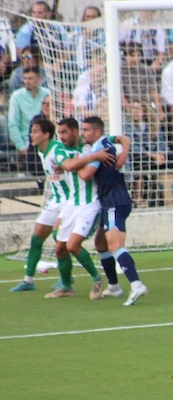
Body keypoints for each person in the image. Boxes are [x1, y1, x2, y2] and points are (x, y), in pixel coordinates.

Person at [66, 116, 148, 306]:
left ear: (97, 131)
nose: (83, 133)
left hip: (114, 201)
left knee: (115, 245)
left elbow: (86, 175)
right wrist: (124, 152)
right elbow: (124, 139)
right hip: (110, 201)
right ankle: (114, 287)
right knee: (101, 244)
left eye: (86, 130)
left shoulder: (99, 148)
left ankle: (136, 285)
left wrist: (78, 162)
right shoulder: (105, 141)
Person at [8, 118, 71, 293]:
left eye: (35, 131)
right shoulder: (41, 151)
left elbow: (72, 159)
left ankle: (68, 279)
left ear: (46, 134)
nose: (31, 134)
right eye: (31, 131)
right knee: (37, 237)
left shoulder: (58, 149)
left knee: (60, 239)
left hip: (69, 201)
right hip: (55, 200)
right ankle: (28, 281)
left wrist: (65, 167)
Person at [46, 117, 105, 298]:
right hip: (72, 204)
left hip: (90, 204)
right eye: (59, 133)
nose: (61, 137)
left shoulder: (90, 146)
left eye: (64, 132)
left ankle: (97, 279)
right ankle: (66, 286)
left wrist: (122, 141)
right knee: (60, 249)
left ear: (75, 130)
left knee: (72, 245)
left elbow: (108, 141)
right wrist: (94, 157)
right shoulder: (60, 150)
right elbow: (69, 165)